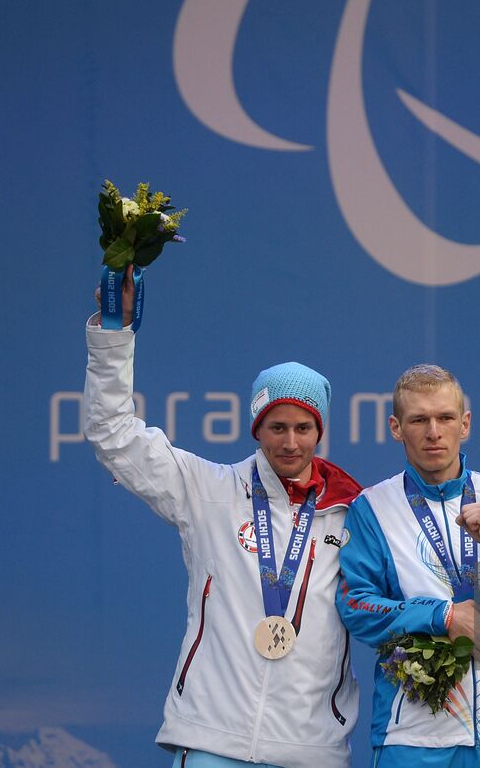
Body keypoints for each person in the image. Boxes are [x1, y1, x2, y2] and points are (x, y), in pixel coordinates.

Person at [83, 267, 362, 768]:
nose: (291, 442)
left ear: (319, 431)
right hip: (214, 741)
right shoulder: (206, 490)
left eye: (303, 427)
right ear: (257, 428)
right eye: (277, 426)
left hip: (310, 749)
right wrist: (113, 333)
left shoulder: (353, 513)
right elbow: (112, 433)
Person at [335, 364, 480, 767]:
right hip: (413, 738)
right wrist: (442, 616)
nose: (433, 431)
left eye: (445, 418)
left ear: (465, 424)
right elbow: (356, 607)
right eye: (419, 419)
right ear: (396, 428)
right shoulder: (372, 510)